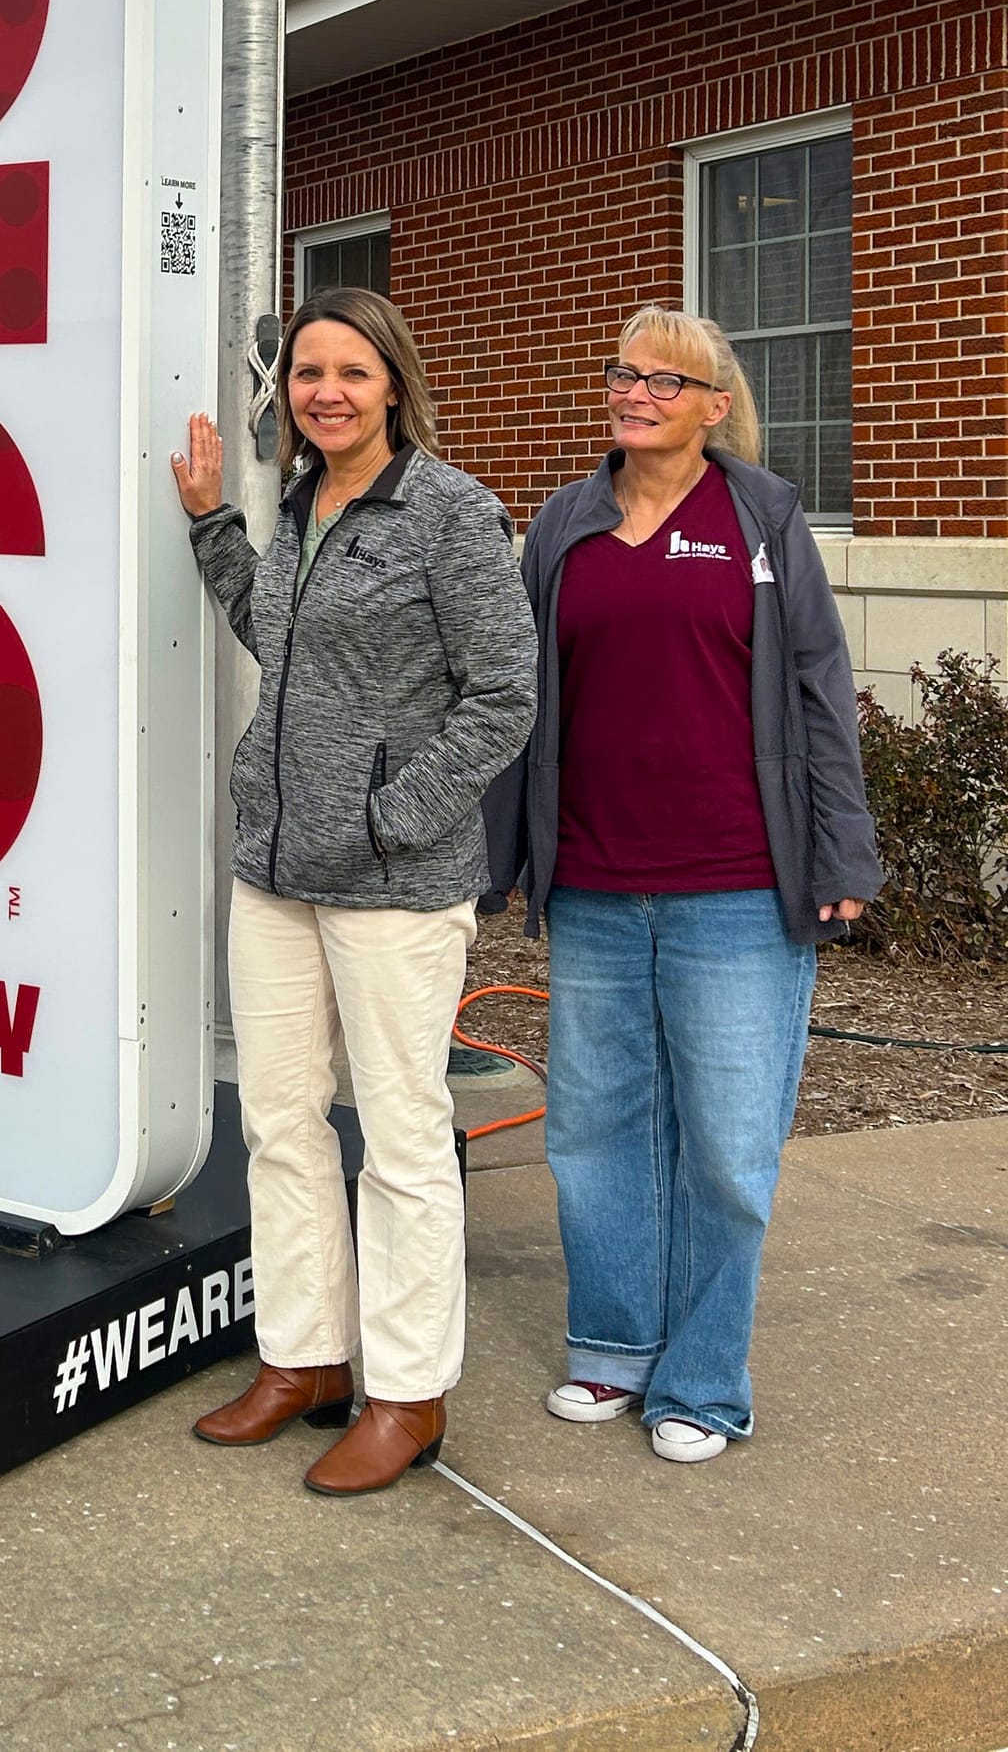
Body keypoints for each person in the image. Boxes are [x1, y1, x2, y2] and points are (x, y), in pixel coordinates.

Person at [489, 307, 880, 1462]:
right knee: (596, 1127)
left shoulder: (759, 516)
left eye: (666, 379)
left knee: (725, 1141)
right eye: (623, 371)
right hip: (598, 881)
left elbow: (816, 683)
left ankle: (702, 1383)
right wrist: (496, 858)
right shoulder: (563, 521)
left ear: (715, 407)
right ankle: (612, 1349)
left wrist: (841, 849)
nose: (636, 392)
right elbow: (519, 703)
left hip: (734, 884)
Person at [173, 289, 537, 1495]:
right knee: (278, 1124)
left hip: (390, 885)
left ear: (394, 383)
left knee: (398, 1142)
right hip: (274, 871)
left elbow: (502, 695)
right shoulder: (301, 504)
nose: (324, 390)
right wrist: (211, 527)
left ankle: (405, 1393)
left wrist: (392, 818)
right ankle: (302, 1359)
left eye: (350, 372)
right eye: (306, 372)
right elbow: (278, 641)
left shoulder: (447, 513)